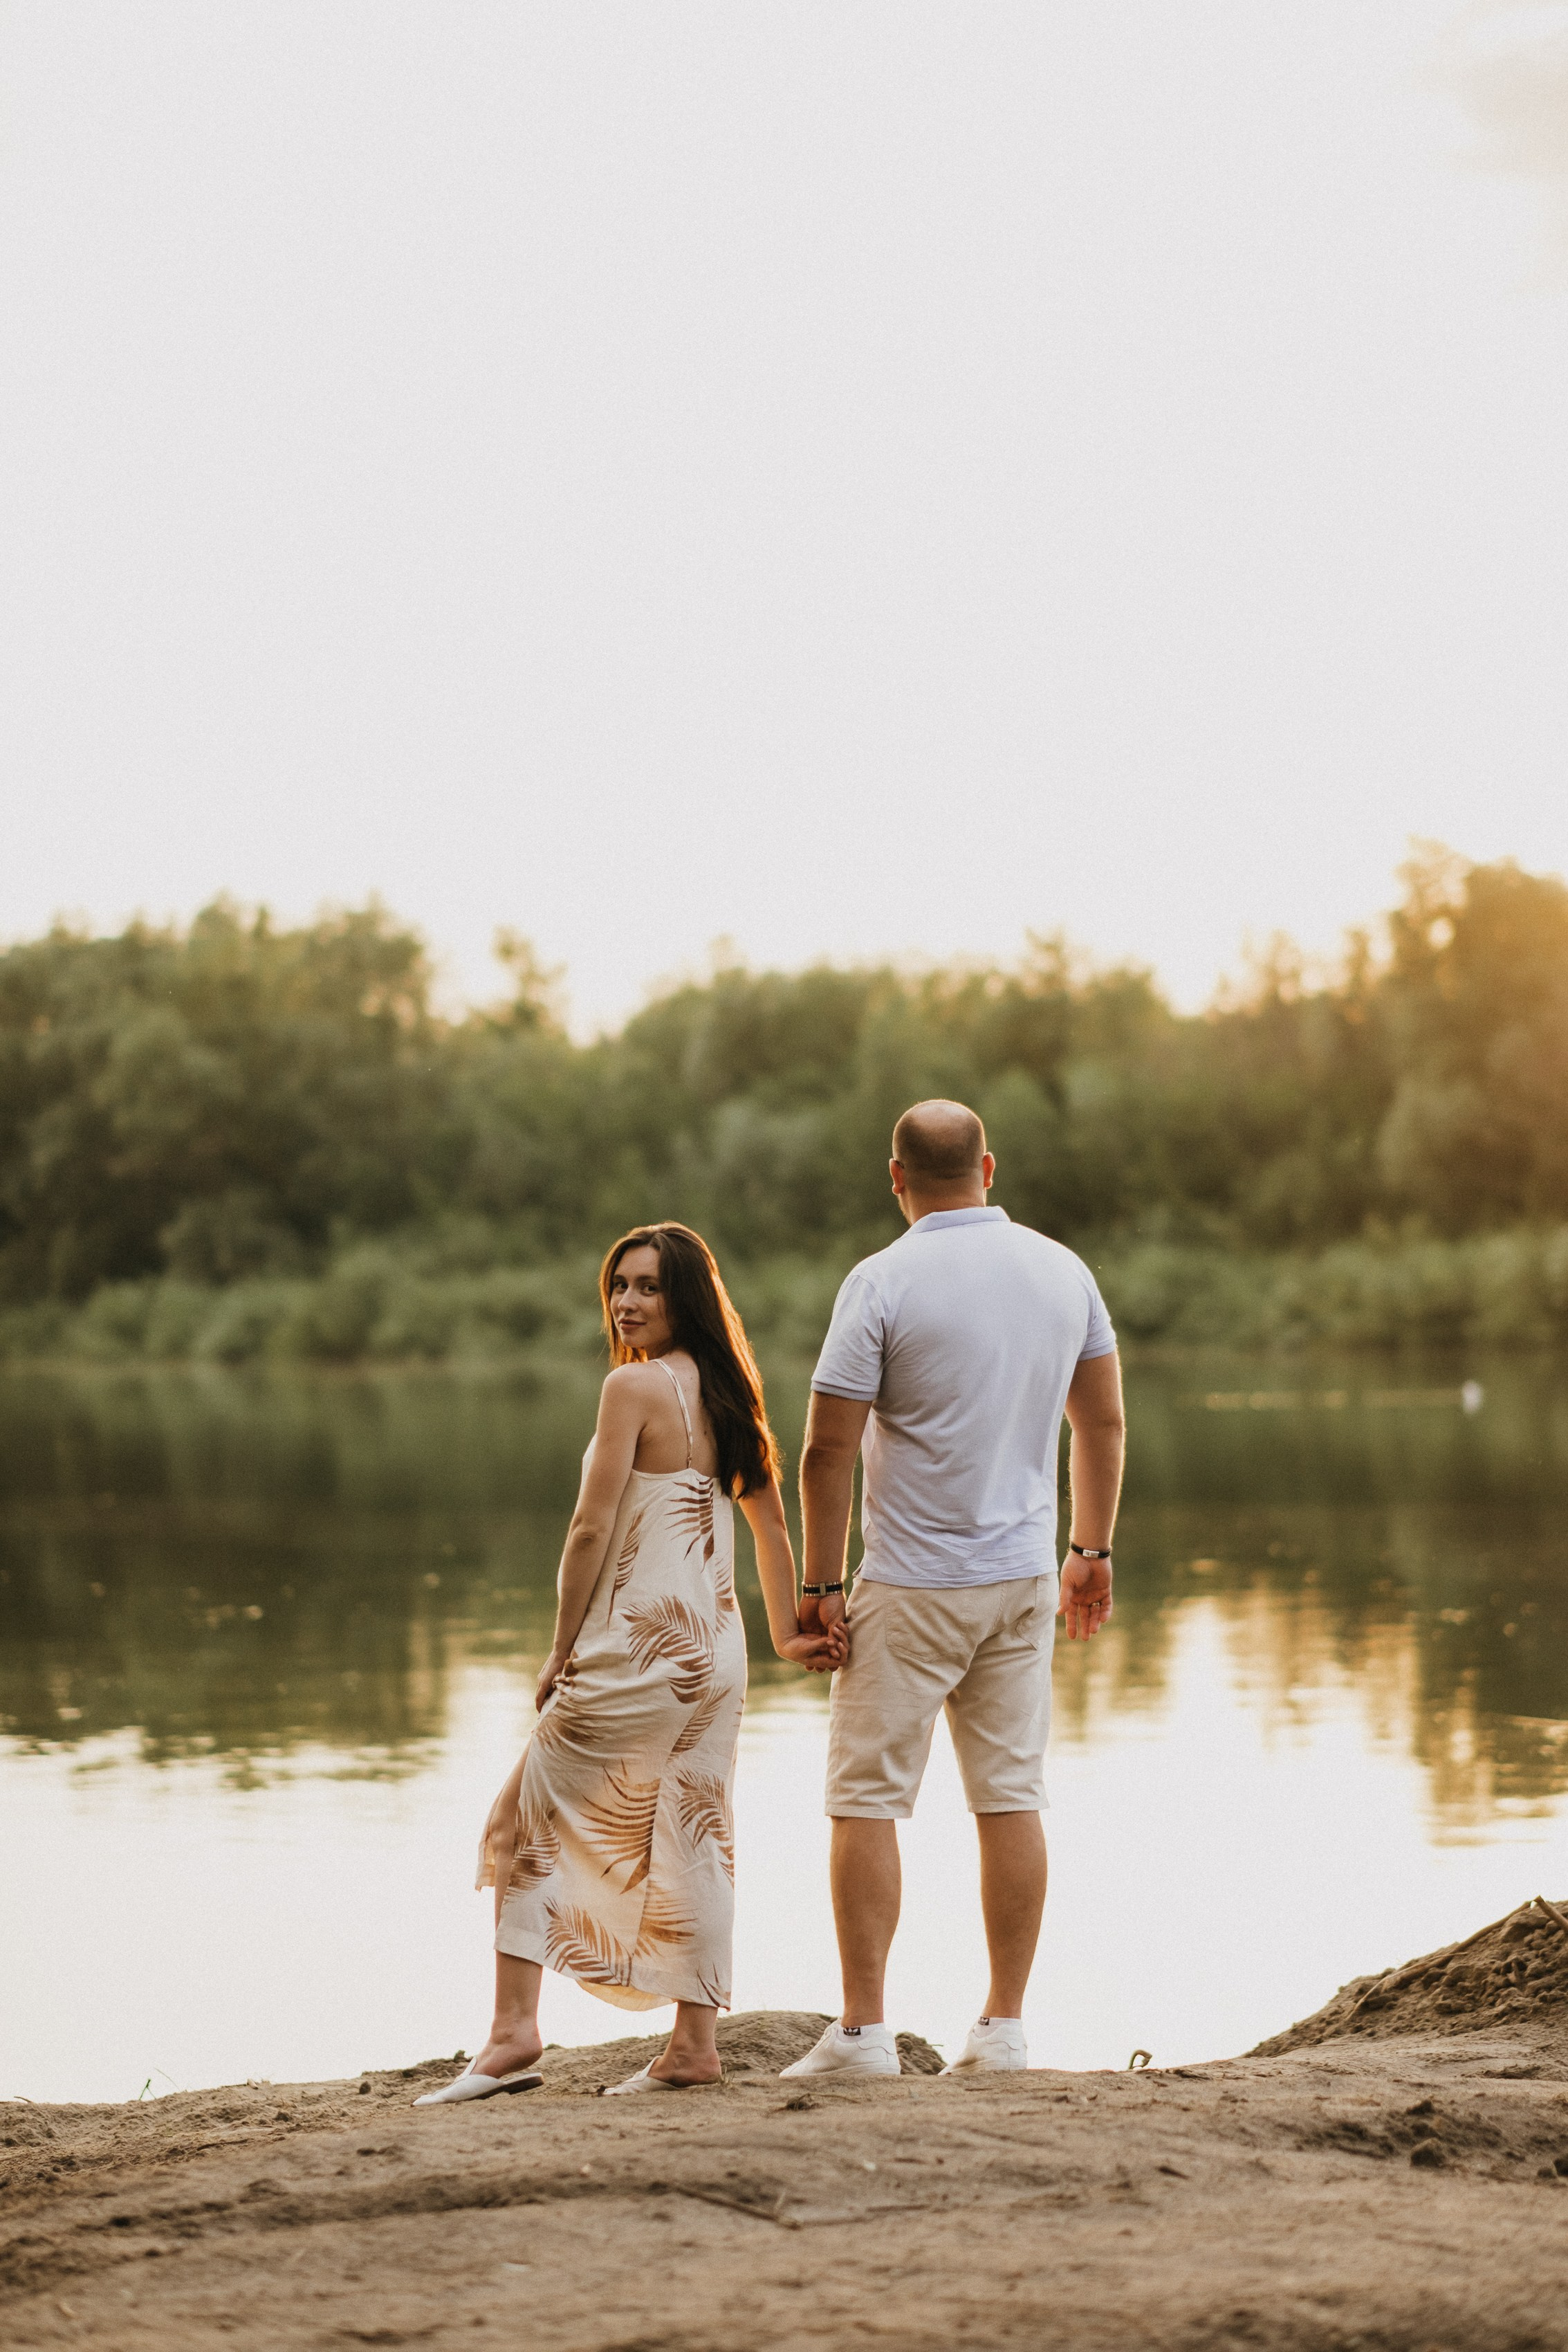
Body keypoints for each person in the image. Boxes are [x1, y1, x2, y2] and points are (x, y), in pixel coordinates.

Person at [417, 1222, 840, 2106]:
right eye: (618, 1285)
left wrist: (560, 1645)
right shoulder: (731, 1394)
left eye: (646, 1286)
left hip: (637, 1648)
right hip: (712, 1653)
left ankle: (511, 2034)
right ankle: (693, 2045)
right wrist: (781, 1632)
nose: (626, 1302)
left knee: (518, 1820)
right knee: (695, 1830)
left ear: (683, 1295)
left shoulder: (631, 1386)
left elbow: (587, 1527)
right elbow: (768, 1526)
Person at [782, 1100, 1124, 2080]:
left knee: (864, 1799)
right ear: (988, 1168)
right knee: (1010, 1795)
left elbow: (825, 1446)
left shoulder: (880, 1280)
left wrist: (818, 1580)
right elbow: (1098, 1423)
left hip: (908, 1584)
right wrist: (1088, 1552)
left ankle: (862, 2034)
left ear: (895, 1178)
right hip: (1020, 1581)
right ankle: (1003, 2029)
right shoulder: (1062, 1270)